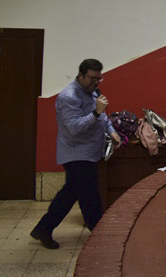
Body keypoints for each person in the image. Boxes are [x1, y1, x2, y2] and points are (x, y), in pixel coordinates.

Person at [31, 59, 120, 249]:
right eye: (92, 78)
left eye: (99, 78)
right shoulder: (68, 97)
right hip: (76, 154)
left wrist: (111, 130)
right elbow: (73, 128)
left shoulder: (93, 91)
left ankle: (43, 229)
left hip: (90, 152)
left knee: (69, 194)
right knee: (90, 197)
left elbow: (103, 115)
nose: (96, 82)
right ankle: (98, 232)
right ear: (81, 75)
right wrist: (95, 113)